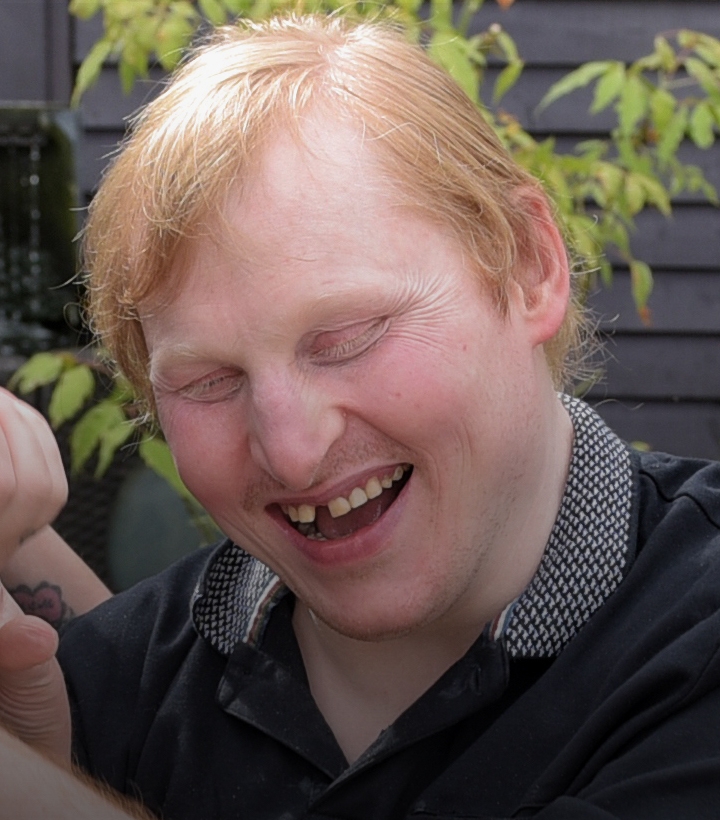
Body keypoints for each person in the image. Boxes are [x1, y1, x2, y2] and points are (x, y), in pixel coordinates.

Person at [3, 12, 720, 819]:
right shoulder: (98, 691)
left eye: (347, 338)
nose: (293, 451)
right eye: (207, 380)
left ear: (528, 267)